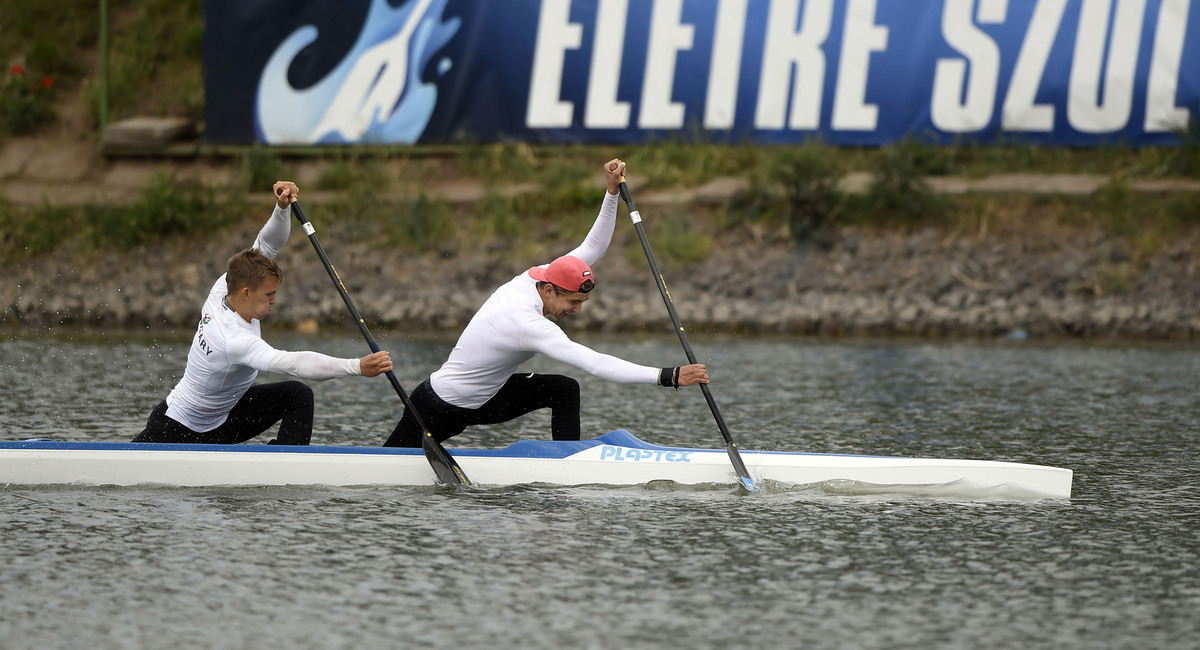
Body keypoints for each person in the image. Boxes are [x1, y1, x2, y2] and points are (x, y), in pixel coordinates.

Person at [384, 159, 708, 448]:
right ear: (550, 290)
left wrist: (611, 193)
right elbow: (594, 362)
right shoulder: (528, 324)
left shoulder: (539, 276)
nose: (577, 310)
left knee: (563, 390)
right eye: (573, 301)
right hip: (438, 407)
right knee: (388, 463)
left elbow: (593, 244)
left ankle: (567, 462)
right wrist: (668, 376)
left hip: (487, 397)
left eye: (583, 302)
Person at [134, 181, 393, 445]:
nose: (274, 301)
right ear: (246, 293)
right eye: (269, 295)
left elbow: (268, 244)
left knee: (298, 396)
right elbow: (296, 363)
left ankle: (287, 466)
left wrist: (281, 208)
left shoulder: (226, 285)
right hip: (178, 429)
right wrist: (356, 367)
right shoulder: (234, 340)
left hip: (223, 417)